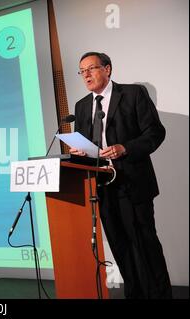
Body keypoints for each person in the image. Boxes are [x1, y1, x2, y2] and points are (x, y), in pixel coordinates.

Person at [70, 52, 172, 299]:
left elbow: (155, 132)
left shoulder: (133, 94)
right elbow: (86, 147)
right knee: (120, 246)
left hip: (133, 184)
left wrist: (125, 148)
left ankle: (160, 295)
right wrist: (79, 151)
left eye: (91, 68)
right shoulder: (81, 106)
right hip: (103, 188)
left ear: (107, 69)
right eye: (82, 71)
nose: (86, 75)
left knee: (144, 245)